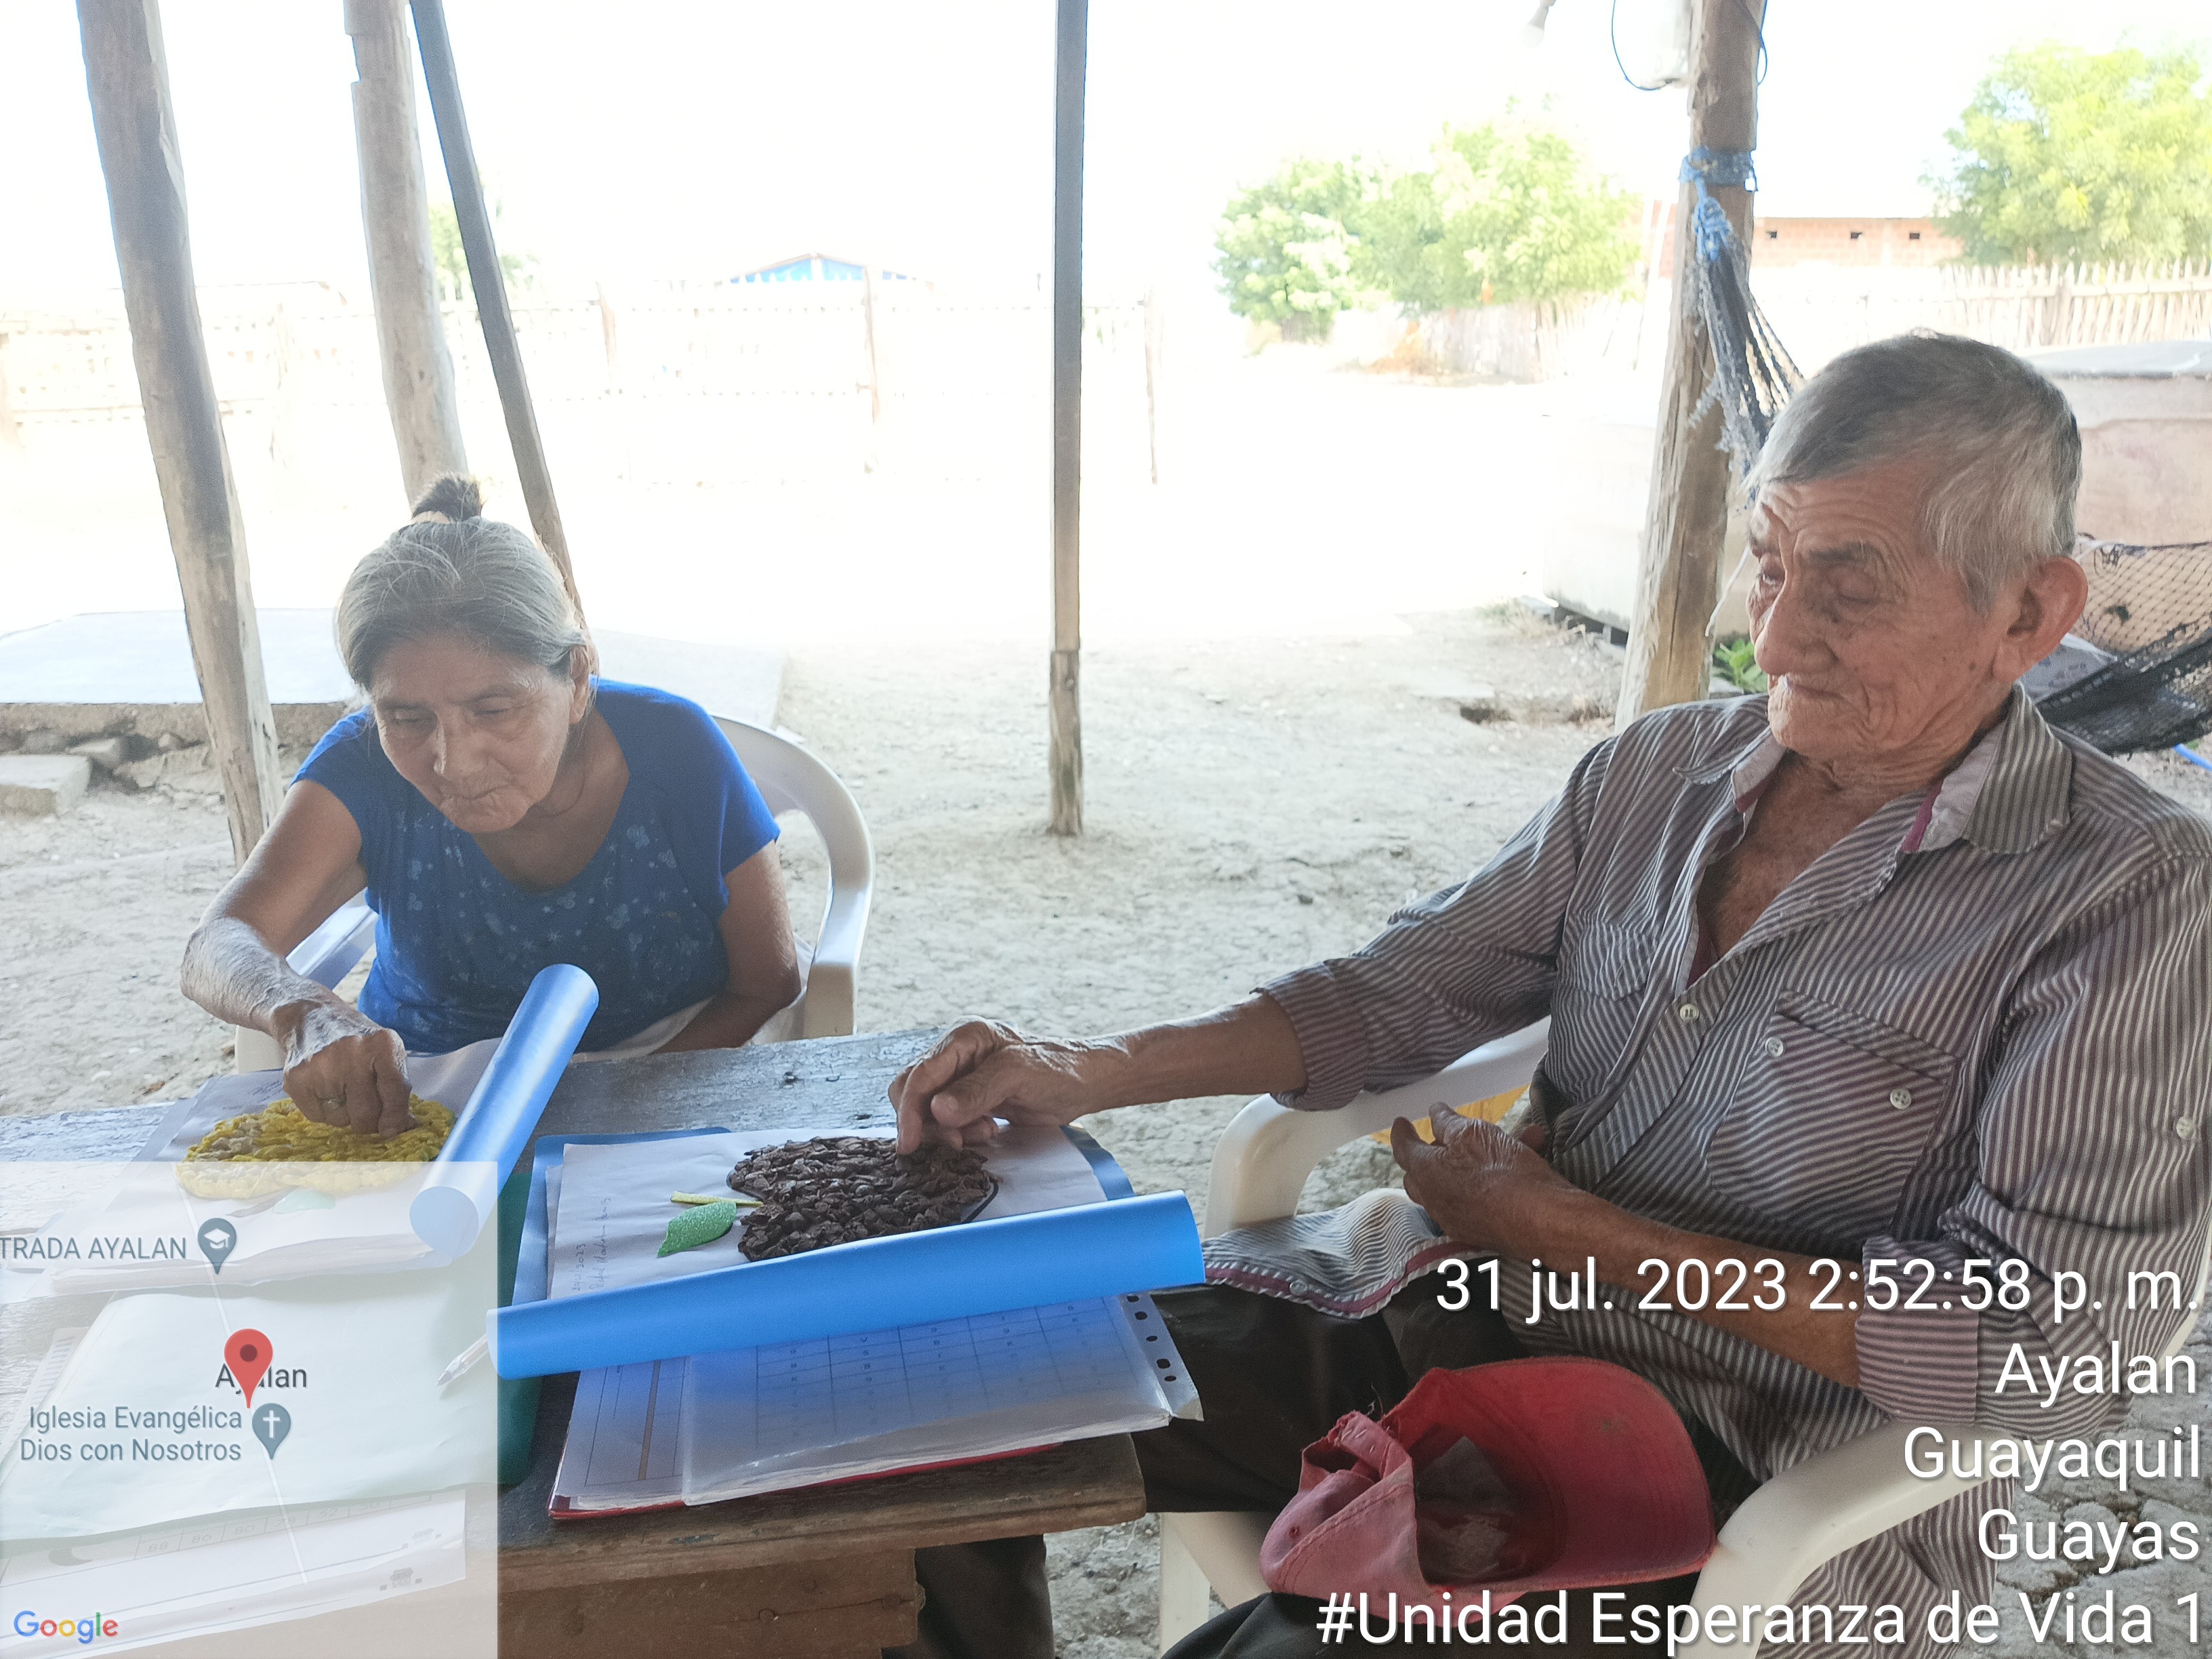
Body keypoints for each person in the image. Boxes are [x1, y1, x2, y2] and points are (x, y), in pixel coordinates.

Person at [883, 335, 2212, 1658]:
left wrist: (1562, 1226)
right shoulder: (1653, 775)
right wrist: (1089, 1066)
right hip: (1454, 1309)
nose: (1771, 633)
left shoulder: (2126, 895)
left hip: (1726, 1467)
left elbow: (2040, 1354)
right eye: (1768, 562)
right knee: (910, 1398)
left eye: (1846, 588)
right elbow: (1401, 993)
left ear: (2028, 612)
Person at [182, 476, 804, 1136]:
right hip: (428, 1093)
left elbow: (767, 980)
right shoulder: (363, 768)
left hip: (657, 1070)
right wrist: (303, 1008)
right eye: (407, 718)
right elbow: (217, 943)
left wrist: (599, 1113)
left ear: (577, 678)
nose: (453, 761)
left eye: (494, 710)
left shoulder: (673, 750)